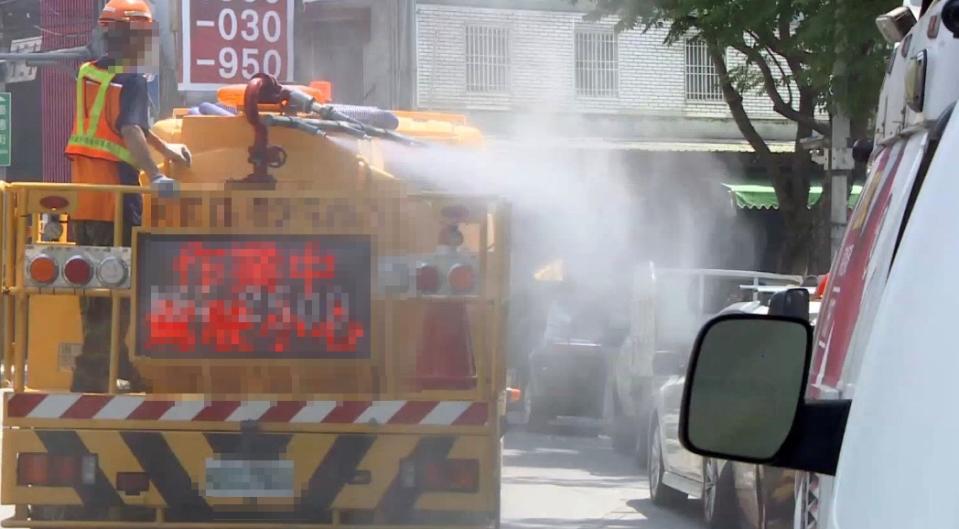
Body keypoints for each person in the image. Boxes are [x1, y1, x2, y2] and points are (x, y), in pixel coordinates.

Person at [66, 0, 192, 392]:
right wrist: (156, 175)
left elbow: (129, 124)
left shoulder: (90, 73)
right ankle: (89, 380)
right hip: (115, 202)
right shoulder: (133, 80)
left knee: (97, 293)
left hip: (84, 201)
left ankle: (117, 366)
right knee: (119, 292)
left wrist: (169, 151)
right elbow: (131, 132)